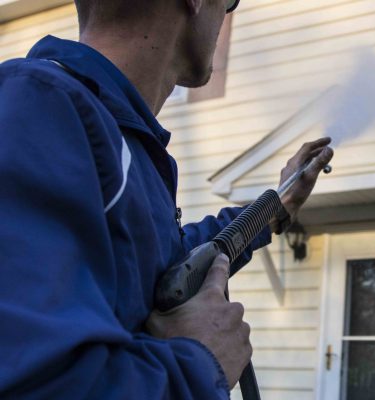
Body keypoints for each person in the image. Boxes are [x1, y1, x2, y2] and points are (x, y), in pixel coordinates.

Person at [0, 0, 333, 398]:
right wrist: (198, 365)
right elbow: (30, 381)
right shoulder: (40, 103)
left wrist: (276, 204)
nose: (226, 15)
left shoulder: (117, 137)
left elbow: (174, 267)